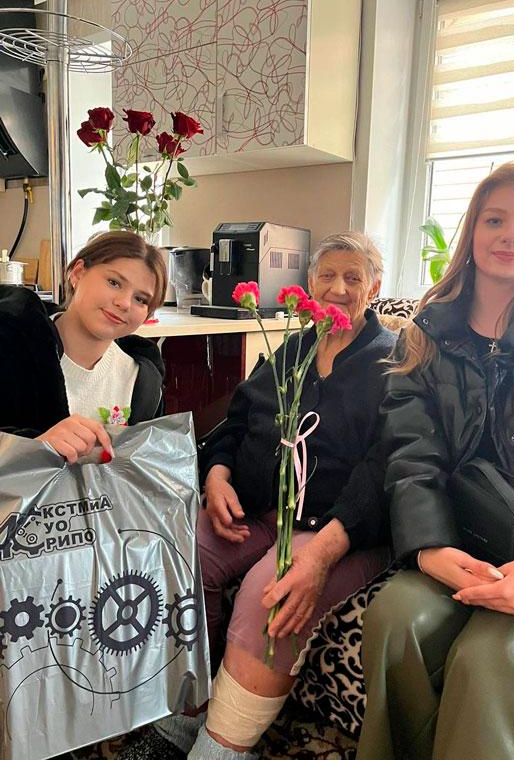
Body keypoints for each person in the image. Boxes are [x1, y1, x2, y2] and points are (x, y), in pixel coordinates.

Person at [356, 162, 514, 760]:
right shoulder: (422, 339)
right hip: (463, 542)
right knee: (394, 620)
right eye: (495, 220)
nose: (511, 235)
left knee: (489, 660)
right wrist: (430, 550)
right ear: (472, 230)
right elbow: (411, 458)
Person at [131, 232, 395, 760]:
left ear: (375, 287)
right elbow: (236, 422)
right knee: (181, 552)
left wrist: (322, 551)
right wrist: (217, 477)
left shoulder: (394, 363)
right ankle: (185, 713)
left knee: (267, 594)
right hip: (259, 510)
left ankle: (222, 749)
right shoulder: (290, 348)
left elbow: (385, 468)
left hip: (337, 529)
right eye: (327, 276)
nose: (339, 288)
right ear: (309, 284)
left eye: (354, 277)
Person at [0, 231, 166, 460]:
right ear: (78, 273)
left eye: (141, 299)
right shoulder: (10, 347)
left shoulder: (142, 383)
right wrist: (33, 448)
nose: (124, 303)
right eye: (114, 282)